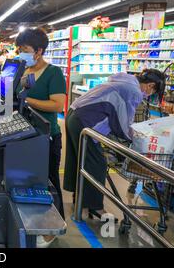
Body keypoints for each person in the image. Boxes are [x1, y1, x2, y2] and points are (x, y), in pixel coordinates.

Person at [63, 69, 166, 219]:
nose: (148, 95)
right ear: (150, 85)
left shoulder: (124, 80)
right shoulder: (133, 91)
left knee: (80, 160)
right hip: (86, 122)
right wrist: (136, 136)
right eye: (152, 92)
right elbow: (123, 123)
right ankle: (93, 207)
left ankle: (80, 201)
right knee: (96, 164)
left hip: (75, 116)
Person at [15, 28, 67, 248]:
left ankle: (54, 229)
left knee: (50, 182)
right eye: (19, 49)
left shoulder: (53, 73)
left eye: (24, 49)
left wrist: (26, 101)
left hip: (47, 137)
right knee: (33, 182)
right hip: (26, 136)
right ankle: (38, 223)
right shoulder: (23, 70)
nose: (21, 53)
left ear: (39, 51)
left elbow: (57, 104)